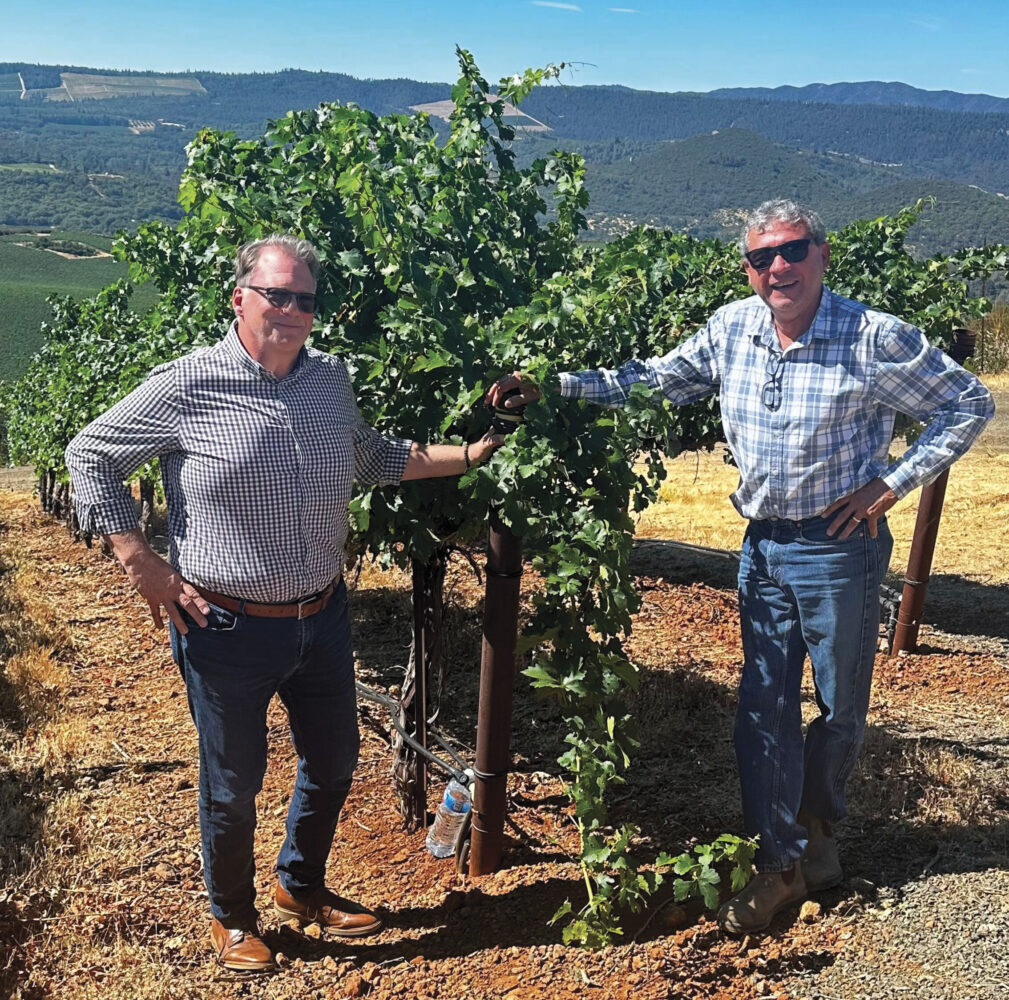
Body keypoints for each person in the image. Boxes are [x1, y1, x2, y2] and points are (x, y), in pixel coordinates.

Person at [488, 199, 993, 935]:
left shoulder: (872, 336)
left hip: (838, 548)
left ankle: (820, 824)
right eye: (760, 258)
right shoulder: (732, 327)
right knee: (762, 709)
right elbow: (654, 379)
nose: (776, 268)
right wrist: (556, 385)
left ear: (821, 254)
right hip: (760, 546)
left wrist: (891, 483)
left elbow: (966, 403)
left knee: (840, 709)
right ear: (746, 268)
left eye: (790, 251)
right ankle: (780, 863)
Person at [66, 234, 501, 972]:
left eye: (305, 298)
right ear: (240, 297)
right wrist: (139, 558)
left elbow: (370, 456)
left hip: (321, 619)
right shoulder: (188, 383)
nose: (293, 310)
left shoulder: (329, 380)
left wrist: (471, 453)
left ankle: (300, 885)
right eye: (277, 294)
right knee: (234, 785)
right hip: (223, 626)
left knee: (334, 762)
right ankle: (231, 916)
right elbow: (91, 453)